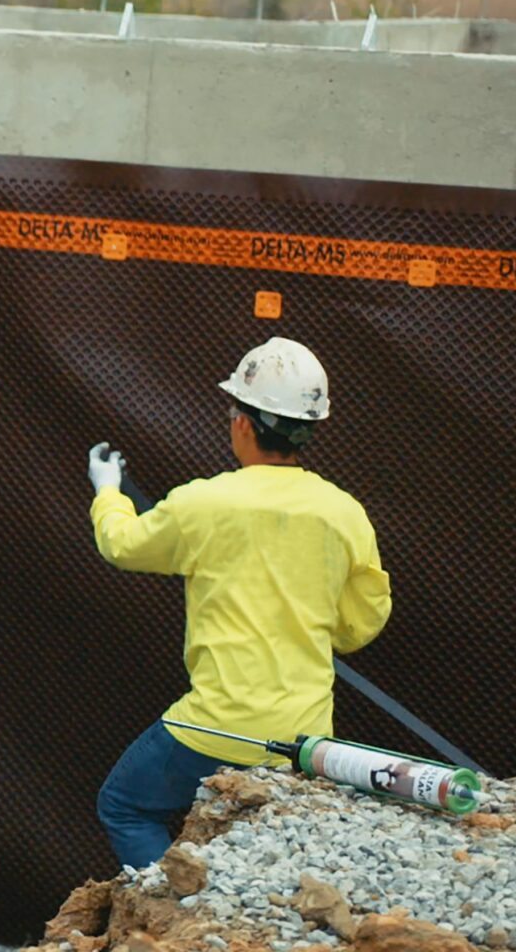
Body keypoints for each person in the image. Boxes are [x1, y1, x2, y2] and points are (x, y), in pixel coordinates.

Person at [86, 337, 391, 869]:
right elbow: (360, 622)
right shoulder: (344, 513)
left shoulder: (202, 502)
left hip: (213, 727)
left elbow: (124, 545)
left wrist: (107, 489)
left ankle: (181, 915)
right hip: (305, 735)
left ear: (244, 424)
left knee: (125, 805)